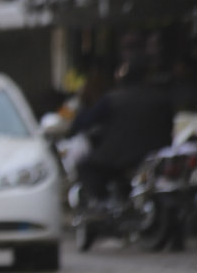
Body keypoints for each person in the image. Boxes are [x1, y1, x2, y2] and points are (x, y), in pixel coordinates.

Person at [69, 55, 174, 204]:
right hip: (154, 158)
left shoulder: (113, 99)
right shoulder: (162, 99)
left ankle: (103, 204)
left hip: (117, 160)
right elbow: (169, 128)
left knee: (86, 167)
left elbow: (82, 123)